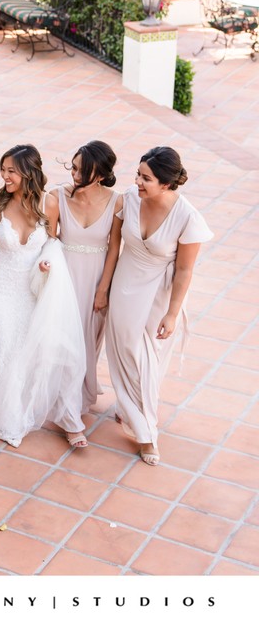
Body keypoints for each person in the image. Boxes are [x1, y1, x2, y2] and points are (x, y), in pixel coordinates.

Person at [0, 144, 86, 449]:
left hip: (30, 288)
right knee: (5, 346)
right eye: (3, 169)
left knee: (25, 351)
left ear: (28, 173)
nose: (4, 176)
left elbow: (52, 242)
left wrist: (46, 262)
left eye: (11, 171)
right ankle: (7, 418)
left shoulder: (49, 204)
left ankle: (18, 409)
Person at [105, 146, 212, 466]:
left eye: (145, 178)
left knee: (146, 362)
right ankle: (128, 408)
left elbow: (185, 269)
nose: (137, 181)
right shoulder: (130, 198)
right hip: (125, 283)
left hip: (160, 292)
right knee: (122, 349)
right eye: (138, 174)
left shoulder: (188, 217)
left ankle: (147, 432)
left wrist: (173, 312)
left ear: (166, 184)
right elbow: (114, 244)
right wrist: (103, 288)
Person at [51, 141, 122, 415]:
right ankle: (67, 405)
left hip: (95, 277)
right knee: (64, 338)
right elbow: (47, 239)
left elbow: (115, 247)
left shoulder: (117, 201)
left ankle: (80, 393)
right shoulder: (57, 196)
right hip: (64, 275)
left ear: (102, 175)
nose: (75, 175)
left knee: (88, 340)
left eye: (83, 171)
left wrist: (103, 290)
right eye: (74, 167)